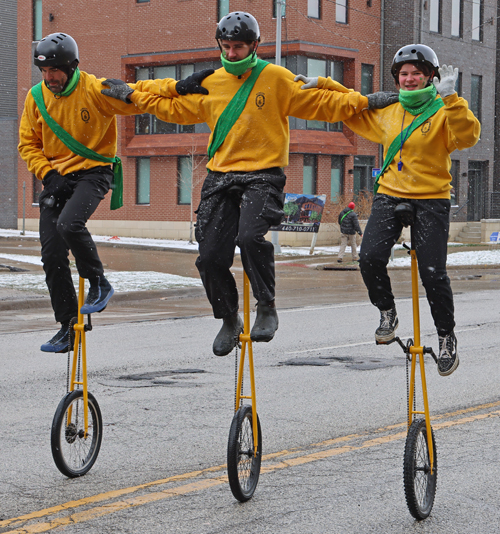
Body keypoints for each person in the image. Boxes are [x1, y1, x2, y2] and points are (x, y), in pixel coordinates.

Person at [101, 12, 397, 357]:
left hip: (263, 173)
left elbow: (321, 103)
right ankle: (228, 317)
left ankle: (266, 306)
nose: (231, 53)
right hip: (221, 174)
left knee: (249, 237)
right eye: (225, 47)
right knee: (209, 256)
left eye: (238, 47)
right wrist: (132, 95)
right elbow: (174, 105)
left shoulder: (274, 78)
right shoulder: (212, 81)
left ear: (255, 46)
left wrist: (364, 101)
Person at [296, 44, 480, 376]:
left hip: (431, 198)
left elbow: (468, 136)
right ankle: (387, 312)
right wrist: (324, 84)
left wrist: (452, 99)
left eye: (417, 74)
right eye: (404, 74)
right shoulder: (389, 111)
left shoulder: (443, 110)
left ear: (430, 77)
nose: (409, 79)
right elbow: (355, 104)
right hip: (390, 193)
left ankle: (446, 336)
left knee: (433, 273)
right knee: (368, 257)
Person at [18, 32, 209, 353]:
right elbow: (28, 144)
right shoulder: (36, 98)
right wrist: (48, 173)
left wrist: (177, 86)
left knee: (69, 225)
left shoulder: (94, 90)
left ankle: (98, 283)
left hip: (94, 172)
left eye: (55, 71)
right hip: (56, 179)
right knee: (51, 254)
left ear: (72, 67)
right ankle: (67, 326)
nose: (49, 78)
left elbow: (138, 91)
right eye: (44, 72)